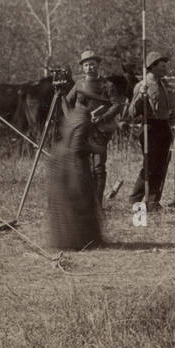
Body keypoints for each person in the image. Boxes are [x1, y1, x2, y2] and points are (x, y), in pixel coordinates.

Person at [48, 78, 112, 250]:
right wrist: (97, 149)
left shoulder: (74, 113)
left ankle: (77, 241)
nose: (97, 104)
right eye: (96, 101)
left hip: (62, 161)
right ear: (89, 100)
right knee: (80, 200)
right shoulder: (83, 119)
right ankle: (80, 242)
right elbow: (77, 147)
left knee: (75, 203)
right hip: (73, 164)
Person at [76, 49, 125, 207]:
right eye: (86, 65)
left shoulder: (107, 85)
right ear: (82, 68)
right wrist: (76, 118)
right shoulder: (79, 84)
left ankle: (98, 205)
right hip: (82, 131)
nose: (90, 68)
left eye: (93, 64)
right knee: (82, 167)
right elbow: (67, 103)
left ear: (98, 65)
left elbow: (117, 105)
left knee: (98, 166)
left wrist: (103, 118)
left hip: (100, 131)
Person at [128, 51, 172, 210]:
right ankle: (135, 198)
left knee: (160, 165)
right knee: (150, 165)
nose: (165, 68)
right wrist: (141, 97)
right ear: (152, 67)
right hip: (150, 127)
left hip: (164, 127)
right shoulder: (142, 86)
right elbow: (132, 112)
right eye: (161, 65)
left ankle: (153, 200)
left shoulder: (162, 84)